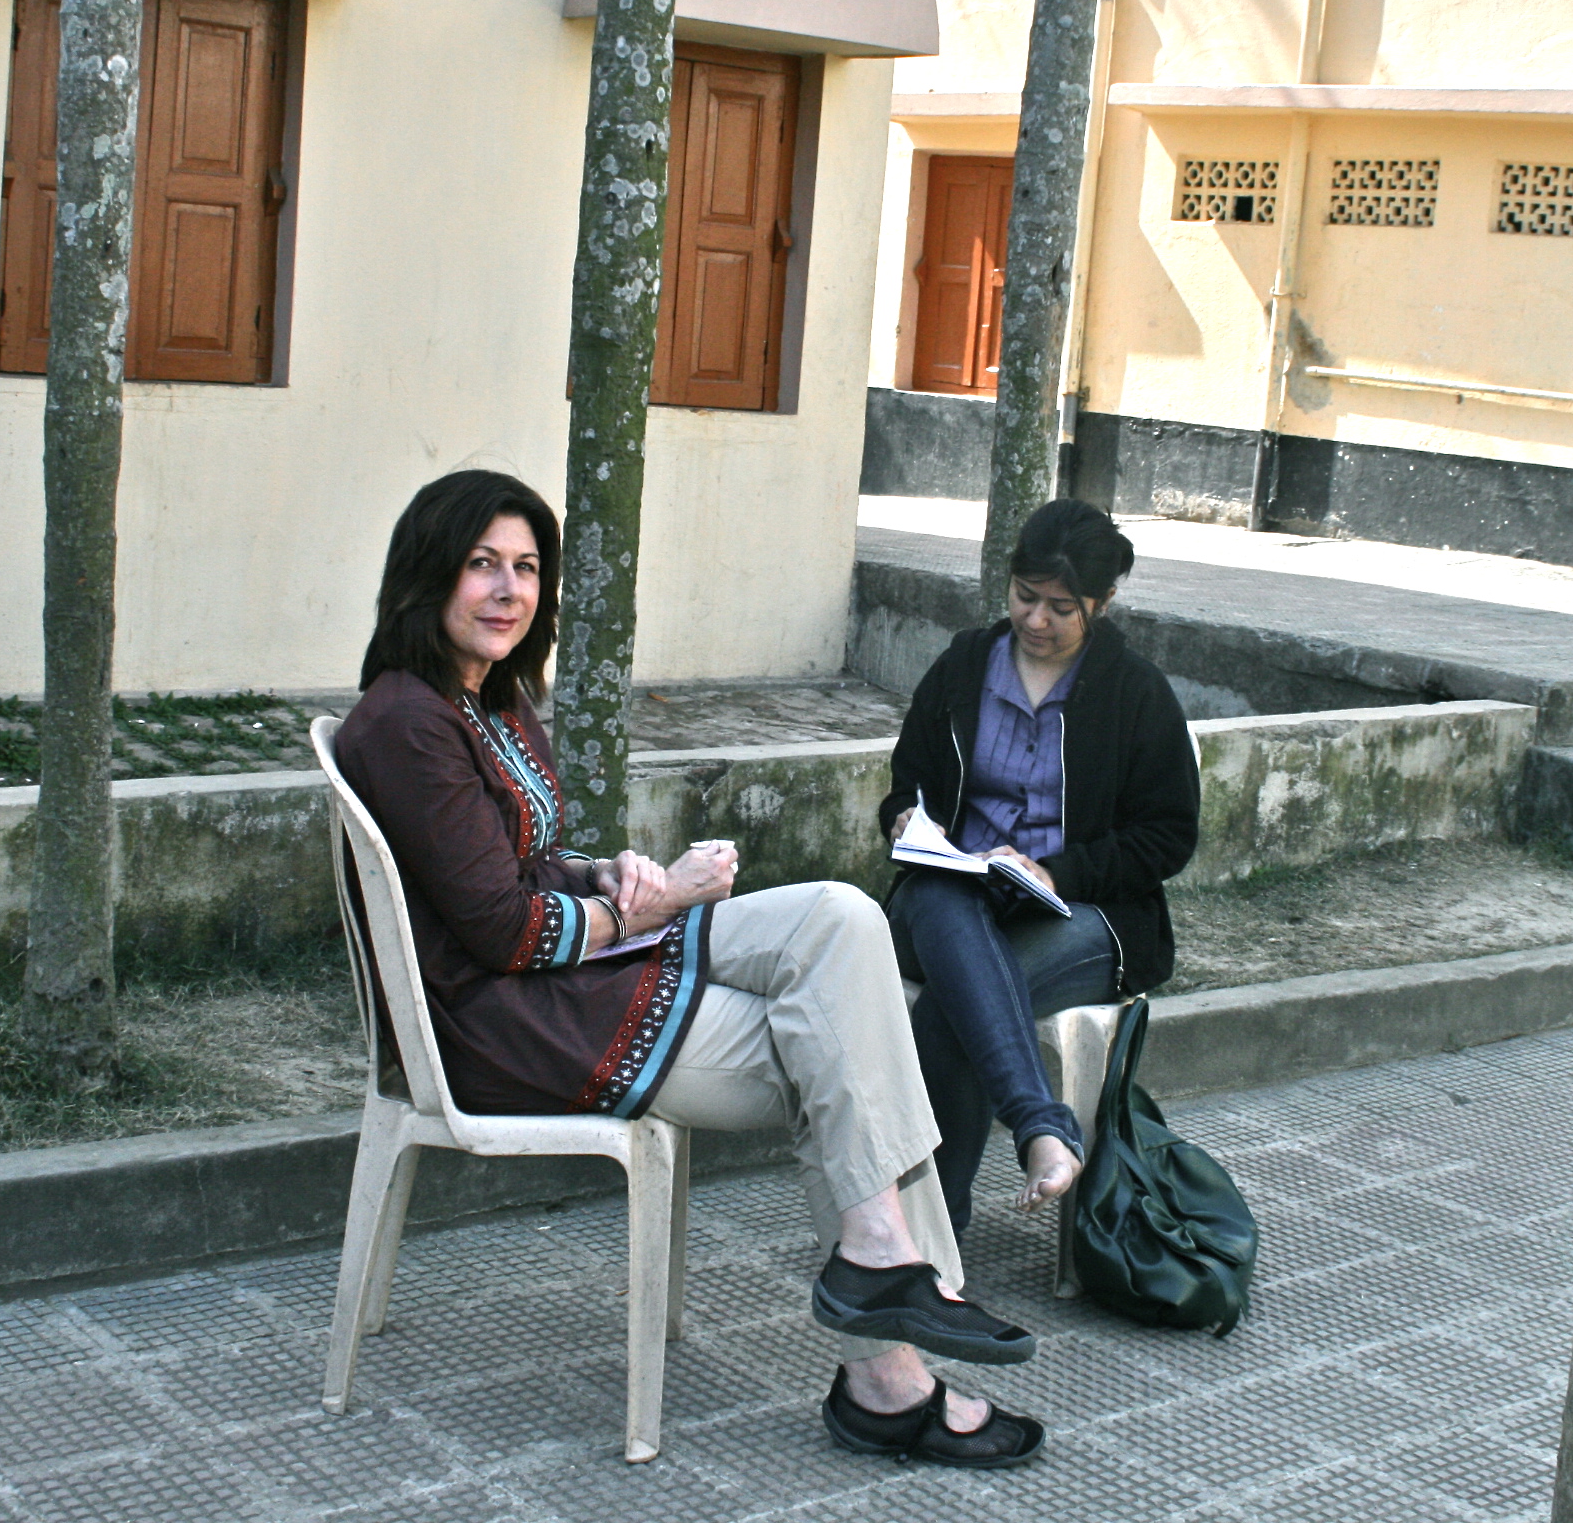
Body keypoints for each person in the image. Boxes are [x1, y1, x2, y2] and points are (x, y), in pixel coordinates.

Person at [334, 469, 1046, 1468]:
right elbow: (500, 929)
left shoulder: (483, 695)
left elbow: (515, 864)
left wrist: (604, 872)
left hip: (570, 974)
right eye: (481, 564)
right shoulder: (409, 722)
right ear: (429, 574)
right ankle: (889, 1366)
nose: (508, 589)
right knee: (838, 1048)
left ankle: (883, 1260)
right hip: (512, 1021)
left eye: (526, 568)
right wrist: (654, 898)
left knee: (842, 920)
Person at [878, 499, 1200, 1234]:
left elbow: (1168, 836)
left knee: (959, 1006)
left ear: (1103, 602)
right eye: (1025, 596)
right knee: (942, 905)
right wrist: (905, 819)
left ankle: (927, 1237)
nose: (1036, 620)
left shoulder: (1134, 692)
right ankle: (1039, 1128)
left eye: (1061, 608)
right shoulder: (964, 667)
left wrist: (1060, 872)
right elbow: (908, 784)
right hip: (951, 899)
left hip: (1080, 916)